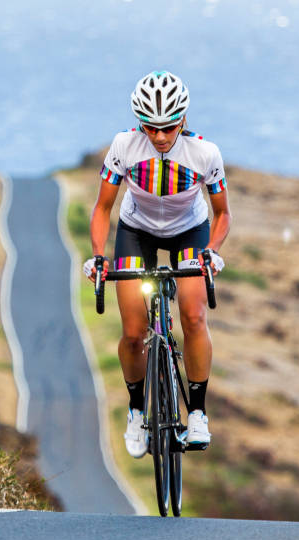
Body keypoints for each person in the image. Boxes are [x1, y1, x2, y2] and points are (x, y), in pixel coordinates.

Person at [83, 70, 231, 458]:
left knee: (194, 316)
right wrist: (99, 255)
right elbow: (102, 208)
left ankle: (197, 413)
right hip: (137, 231)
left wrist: (212, 249)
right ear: (139, 123)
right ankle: (136, 411)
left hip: (190, 232)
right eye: (150, 128)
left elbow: (222, 215)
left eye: (168, 127)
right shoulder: (124, 147)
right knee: (133, 332)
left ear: (183, 120)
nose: (161, 136)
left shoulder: (204, 153)